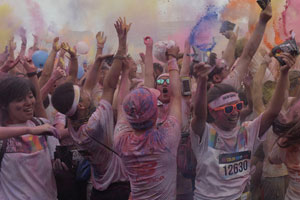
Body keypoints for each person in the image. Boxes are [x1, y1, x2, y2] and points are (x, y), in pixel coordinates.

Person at [190, 50, 296, 199]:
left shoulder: (246, 131)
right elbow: (199, 115)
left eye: (237, 106)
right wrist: (201, 80)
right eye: (227, 109)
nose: (234, 113)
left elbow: (273, 111)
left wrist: (284, 73)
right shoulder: (205, 133)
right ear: (212, 112)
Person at [51, 17, 131, 200]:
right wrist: (121, 45)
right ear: (81, 105)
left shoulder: (73, 124)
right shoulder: (95, 124)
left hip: (98, 190)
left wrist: (97, 61)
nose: (87, 91)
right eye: (83, 94)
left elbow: (86, 87)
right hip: (117, 189)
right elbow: (110, 86)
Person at [114, 44, 182, 199]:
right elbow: (176, 96)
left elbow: (120, 104)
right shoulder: (167, 138)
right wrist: (172, 59)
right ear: (155, 113)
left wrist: (124, 74)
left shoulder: (120, 140)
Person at [0, 76, 58, 200]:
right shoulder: (3, 136)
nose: (28, 102)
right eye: (20, 99)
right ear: (4, 105)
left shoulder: (42, 125)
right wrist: (29, 130)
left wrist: (61, 165)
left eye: (30, 96)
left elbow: (54, 160)